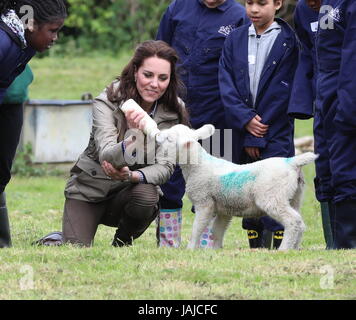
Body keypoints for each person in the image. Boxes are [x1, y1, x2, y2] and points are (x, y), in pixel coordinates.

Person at [58, 40, 189, 247]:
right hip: (90, 189)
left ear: (170, 79)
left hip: (129, 190)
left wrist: (132, 175)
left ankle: (122, 243)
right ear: (136, 71)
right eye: (148, 75)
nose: (155, 84)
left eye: (163, 78)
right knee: (74, 249)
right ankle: (54, 239)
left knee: (148, 194)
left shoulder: (174, 111)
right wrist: (133, 135)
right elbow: (107, 156)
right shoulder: (107, 100)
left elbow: (165, 168)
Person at [156, 0, 248, 248]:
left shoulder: (239, 16)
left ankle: (208, 245)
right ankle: (168, 244)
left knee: (216, 183)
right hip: (175, 111)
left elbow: (241, 70)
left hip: (220, 113)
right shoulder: (178, 8)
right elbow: (159, 54)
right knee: (169, 179)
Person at [219, 0, 299, 249]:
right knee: (247, 189)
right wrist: (245, 120)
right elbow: (226, 82)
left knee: (274, 189)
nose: (254, 9)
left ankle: (280, 244)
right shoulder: (234, 39)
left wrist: (259, 132)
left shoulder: (289, 41)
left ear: (277, 4)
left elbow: (285, 90)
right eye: (249, 2)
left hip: (275, 130)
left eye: (262, 3)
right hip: (243, 128)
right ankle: (256, 245)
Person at [0, 0, 66, 248]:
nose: (55, 37)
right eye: (52, 30)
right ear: (31, 25)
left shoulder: (23, 43)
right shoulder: (5, 42)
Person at [288, 0, 335, 249]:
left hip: (346, 93)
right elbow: (306, 53)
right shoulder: (303, 11)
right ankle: (334, 241)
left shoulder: (344, 6)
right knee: (325, 165)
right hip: (322, 101)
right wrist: (302, 101)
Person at [316, 0, 356, 249]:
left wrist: (348, 109)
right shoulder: (326, 4)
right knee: (328, 171)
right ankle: (336, 245)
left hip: (345, 104)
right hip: (326, 101)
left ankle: (348, 247)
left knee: (346, 173)